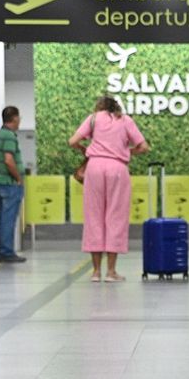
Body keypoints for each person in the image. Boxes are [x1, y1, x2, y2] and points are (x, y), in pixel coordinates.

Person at [68, 96, 149, 282]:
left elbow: (72, 141)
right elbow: (144, 147)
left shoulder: (93, 118)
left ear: (100, 106)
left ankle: (96, 272)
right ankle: (111, 271)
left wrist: (84, 149)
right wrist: (127, 151)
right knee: (116, 216)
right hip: (118, 169)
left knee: (93, 217)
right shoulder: (126, 120)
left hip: (94, 168)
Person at [0, 106, 26, 263]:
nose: (19, 121)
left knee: (2, 218)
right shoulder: (9, 136)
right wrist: (18, 178)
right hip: (9, 183)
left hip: (1, 182)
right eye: (18, 118)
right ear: (13, 118)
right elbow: (8, 160)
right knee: (8, 219)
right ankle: (6, 251)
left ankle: (3, 250)